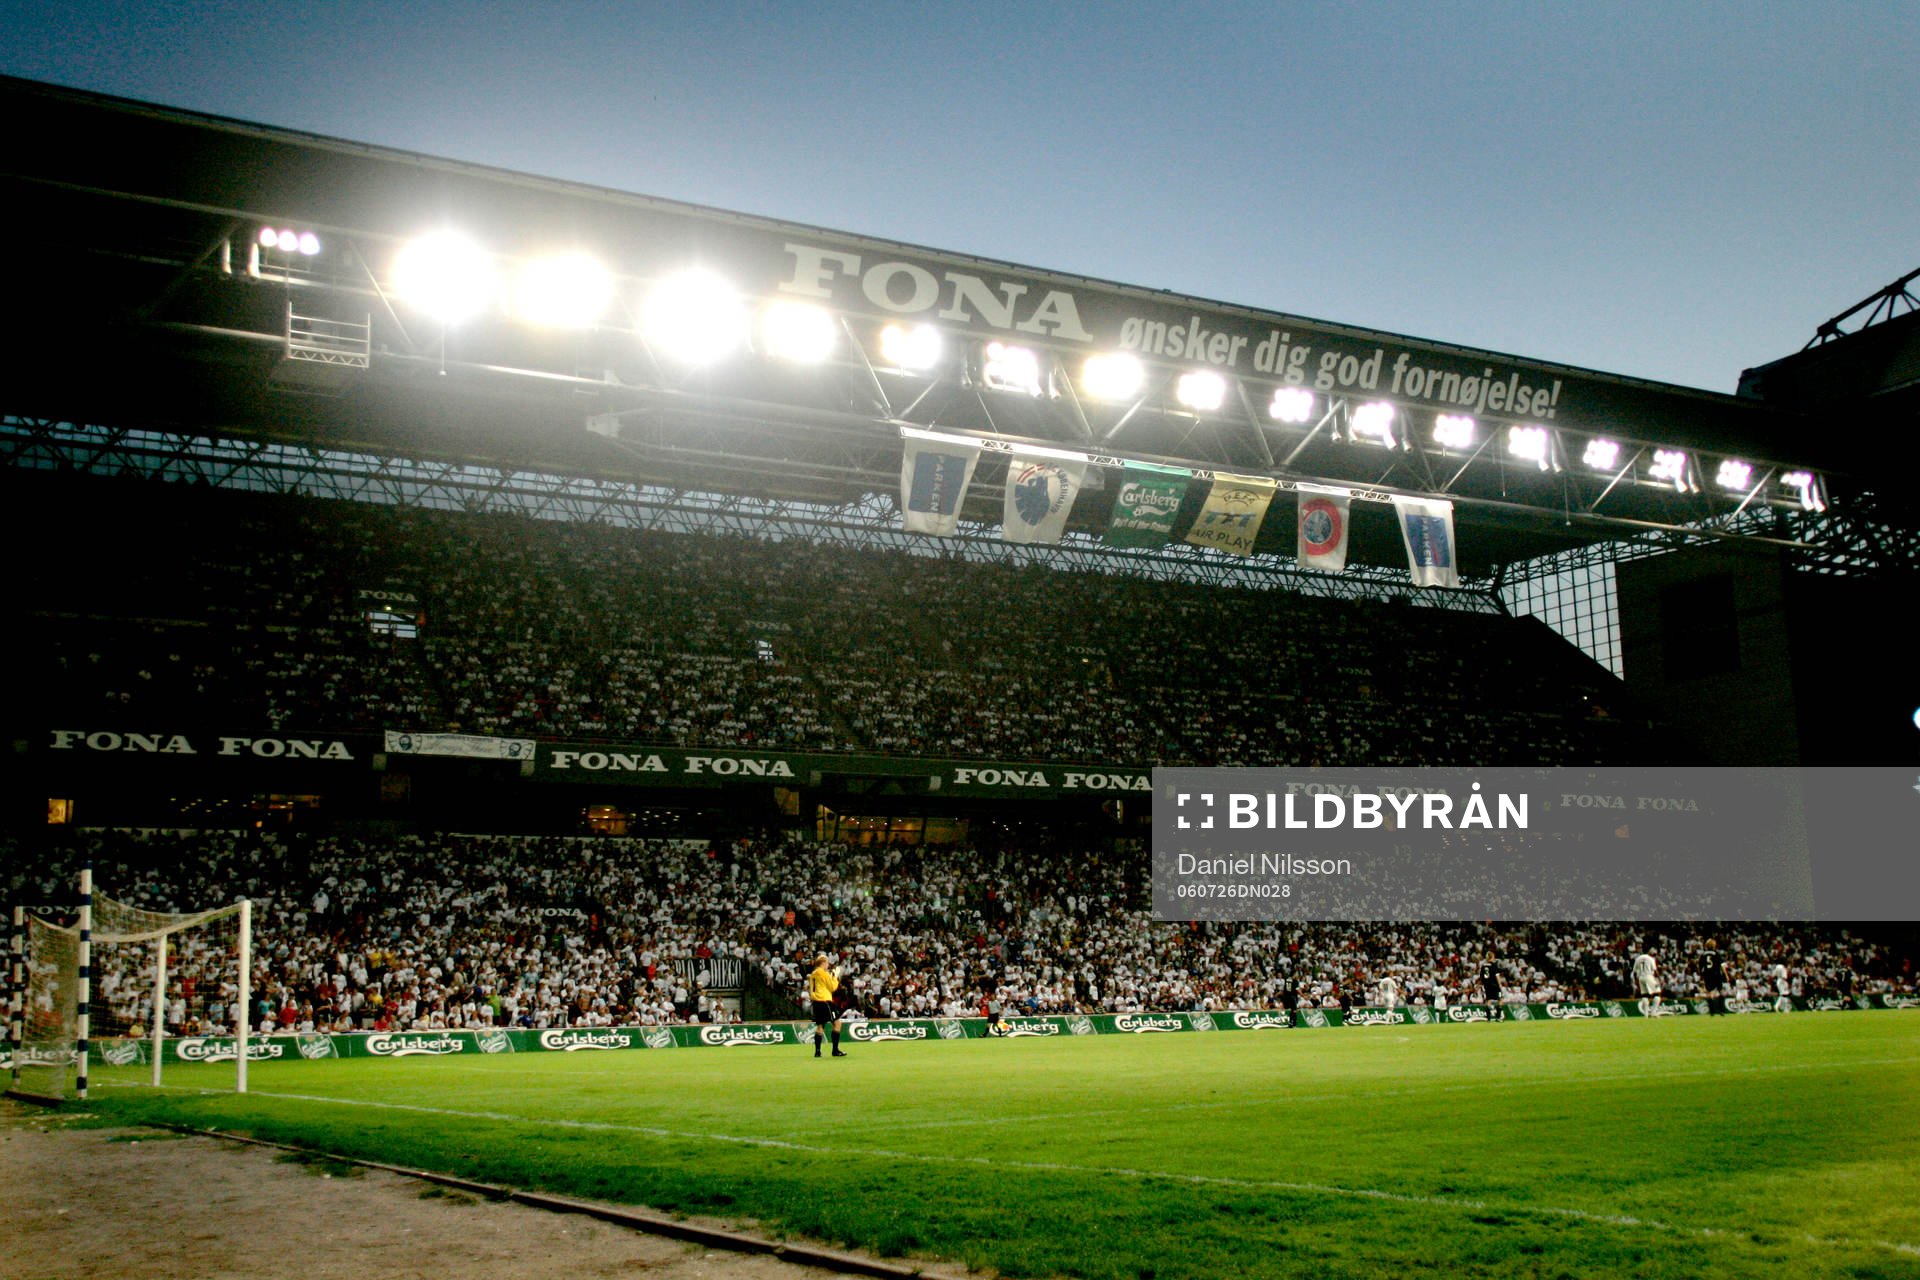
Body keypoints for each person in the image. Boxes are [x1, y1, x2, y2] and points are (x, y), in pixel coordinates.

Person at [806, 953, 846, 1058]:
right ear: (823, 963)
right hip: (825, 1001)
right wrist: (835, 976)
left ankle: (817, 1051)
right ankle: (835, 1050)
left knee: (820, 1026)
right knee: (837, 1023)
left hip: (816, 1002)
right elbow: (832, 987)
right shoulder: (823, 973)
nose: (828, 965)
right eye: (827, 963)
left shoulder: (813, 974)